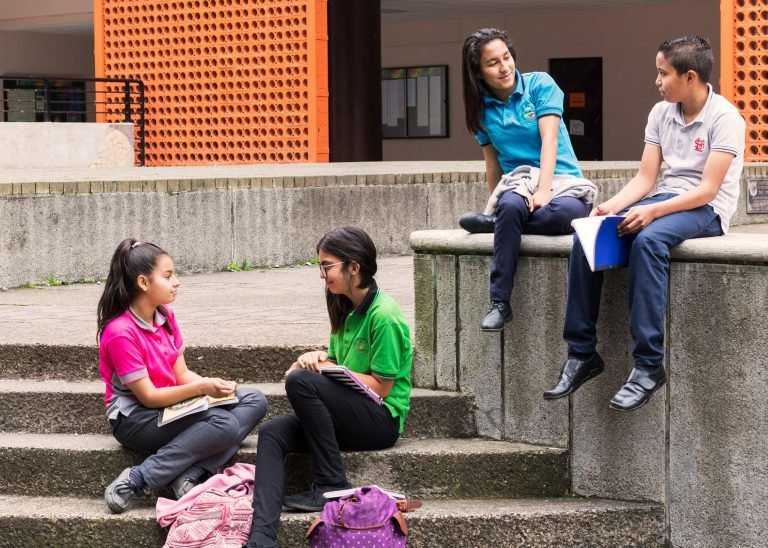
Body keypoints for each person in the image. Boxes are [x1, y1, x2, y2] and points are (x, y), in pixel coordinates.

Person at [544, 35, 746, 411]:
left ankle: (648, 366)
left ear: (689, 76)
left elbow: (707, 190)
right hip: (664, 198)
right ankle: (582, 352)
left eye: (662, 73)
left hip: (706, 209)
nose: (656, 81)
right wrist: (610, 207)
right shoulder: (660, 113)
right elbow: (645, 178)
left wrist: (652, 213)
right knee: (588, 236)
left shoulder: (725, 118)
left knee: (648, 241)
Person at [244, 226, 413, 548]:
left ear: (354, 266)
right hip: (348, 412)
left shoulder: (385, 316)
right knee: (271, 433)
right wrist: (319, 358)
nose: (322, 275)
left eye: (327, 266)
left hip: (380, 421)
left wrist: (326, 370)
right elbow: (338, 367)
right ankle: (261, 536)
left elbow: (381, 388)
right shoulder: (343, 305)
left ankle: (331, 482)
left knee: (301, 381)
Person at [98, 238, 267, 513]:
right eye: (168, 276)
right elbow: (149, 397)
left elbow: (182, 373)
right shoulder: (120, 333)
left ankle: (189, 472)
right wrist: (202, 388)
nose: (176, 281)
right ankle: (137, 478)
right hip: (136, 418)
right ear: (143, 282)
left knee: (253, 400)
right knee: (223, 425)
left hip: (170, 407)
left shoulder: (165, 316)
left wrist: (216, 388)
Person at [458, 28, 595, 332]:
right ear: (478, 73)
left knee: (560, 216)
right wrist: (495, 204)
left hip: (562, 181)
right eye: (492, 63)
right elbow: (492, 164)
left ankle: (502, 224)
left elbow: (549, 141)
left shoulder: (540, 86)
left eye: (506, 57)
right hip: (519, 183)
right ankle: (499, 302)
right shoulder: (480, 111)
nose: (504, 67)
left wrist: (544, 189)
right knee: (509, 205)